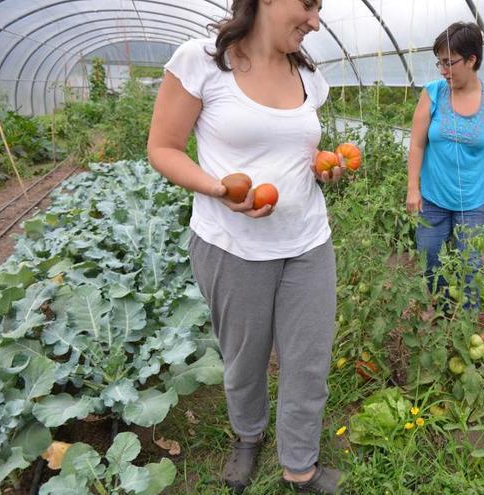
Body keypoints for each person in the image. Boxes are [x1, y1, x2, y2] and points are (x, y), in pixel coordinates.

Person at [147, 0, 345, 493]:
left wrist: (325, 167)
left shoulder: (308, 75)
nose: (315, 22)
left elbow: (298, 152)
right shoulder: (203, 60)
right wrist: (219, 189)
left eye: (320, 10)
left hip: (307, 241)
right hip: (230, 244)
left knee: (308, 360)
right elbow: (163, 147)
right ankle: (248, 435)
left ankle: (300, 465)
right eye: (308, 5)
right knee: (244, 356)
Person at [405, 21, 484, 309]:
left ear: (471, 60)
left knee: (469, 265)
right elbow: (417, 143)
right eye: (439, 63)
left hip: (476, 199)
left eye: (448, 63)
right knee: (428, 257)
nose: (442, 70)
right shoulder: (433, 94)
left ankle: (466, 324)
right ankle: (442, 313)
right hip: (433, 197)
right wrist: (412, 188)